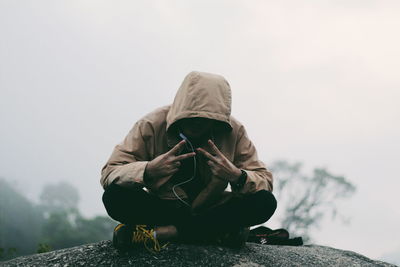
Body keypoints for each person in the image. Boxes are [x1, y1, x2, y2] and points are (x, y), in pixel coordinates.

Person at [101, 71, 277, 252]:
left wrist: (237, 176)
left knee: (265, 202)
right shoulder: (151, 124)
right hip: (165, 209)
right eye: (191, 116)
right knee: (115, 196)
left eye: (204, 118)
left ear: (216, 119)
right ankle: (211, 232)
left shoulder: (234, 131)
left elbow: (264, 180)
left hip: (213, 209)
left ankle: (167, 233)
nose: (197, 123)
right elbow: (110, 172)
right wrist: (148, 170)